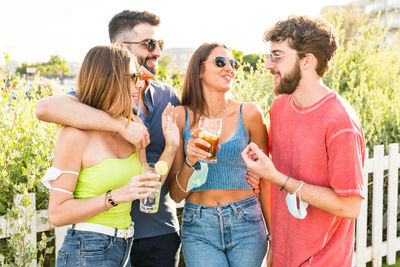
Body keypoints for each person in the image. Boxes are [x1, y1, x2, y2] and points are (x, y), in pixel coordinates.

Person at [35, 10, 182, 267]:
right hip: (88, 249)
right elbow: (57, 214)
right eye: (133, 77)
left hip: (125, 245)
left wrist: (171, 147)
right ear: (109, 79)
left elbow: (151, 185)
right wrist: (117, 195)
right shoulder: (74, 133)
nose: (139, 85)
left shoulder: (135, 129)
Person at [241, 15, 365, 266]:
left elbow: (350, 206)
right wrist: (261, 172)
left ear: (307, 60)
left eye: (277, 55)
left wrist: (278, 178)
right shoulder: (280, 106)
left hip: (323, 260)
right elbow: (280, 170)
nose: (267, 64)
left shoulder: (340, 122)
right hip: (283, 256)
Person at [167, 42, 271, 267]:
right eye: (220, 62)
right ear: (199, 71)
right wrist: (190, 160)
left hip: (247, 223)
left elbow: (266, 180)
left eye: (232, 63)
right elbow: (176, 195)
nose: (229, 68)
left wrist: (274, 237)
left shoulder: (249, 113)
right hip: (199, 225)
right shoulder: (180, 116)